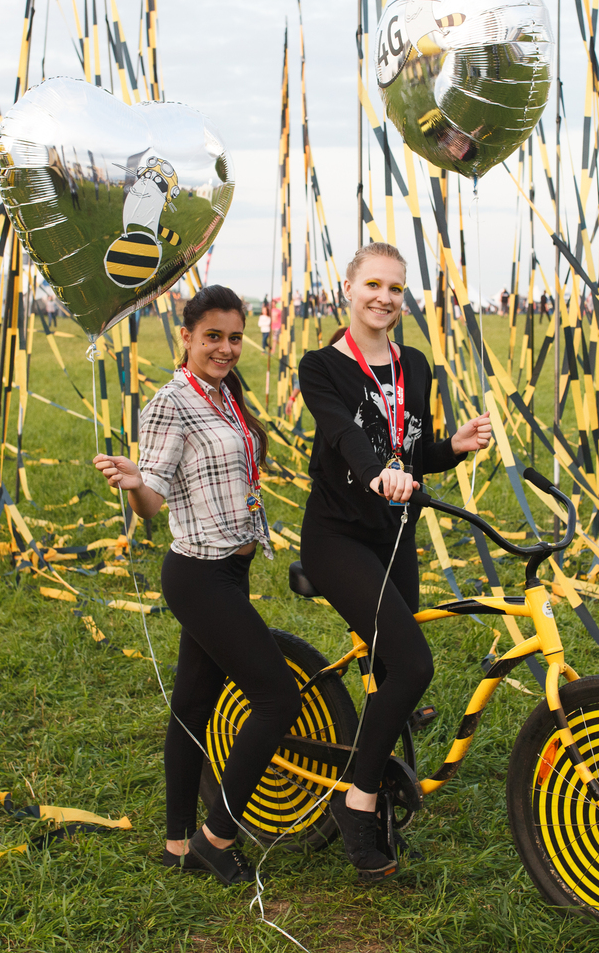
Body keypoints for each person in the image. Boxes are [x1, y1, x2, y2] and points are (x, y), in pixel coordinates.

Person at [297, 242, 492, 881]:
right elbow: (347, 437)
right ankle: (358, 803)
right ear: (348, 289)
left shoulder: (415, 364)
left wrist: (452, 447)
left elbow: (412, 450)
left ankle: (380, 773)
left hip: (395, 534)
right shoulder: (321, 366)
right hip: (338, 537)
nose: (384, 298)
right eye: (373, 285)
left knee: (392, 670)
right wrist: (378, 472)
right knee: (413, 665)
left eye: (396, 288)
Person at [92, 285, 297, 887]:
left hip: (231, 569)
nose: (225, 348)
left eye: (235, 337)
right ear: (186, 337)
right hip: (200, 574)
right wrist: (134, 480)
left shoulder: (226, 394)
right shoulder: (171, 403)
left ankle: (177, 844)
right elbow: (153, 502)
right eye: (213, 337)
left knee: (191, 709)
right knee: (277, 698)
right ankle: (217, 837)